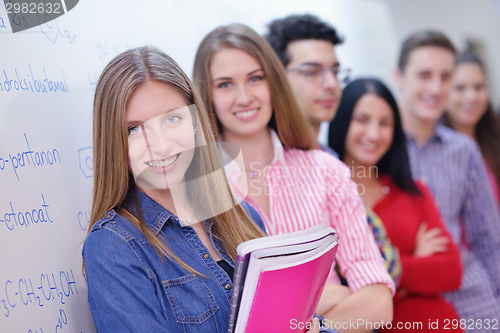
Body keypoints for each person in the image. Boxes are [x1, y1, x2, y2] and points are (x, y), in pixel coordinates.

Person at [193, 23, 394, 331]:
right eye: (225, 84)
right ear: (207, 94)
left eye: (255, 78)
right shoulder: (197, 189)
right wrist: (329, 294)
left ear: (273, 82)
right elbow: (215, 314)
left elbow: (379, 302)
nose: (244, 97)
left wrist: (319, 327)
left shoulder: (326, 170)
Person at [82, 46, 275, 333]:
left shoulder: (243, 215)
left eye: (172, 119)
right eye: (134, 129)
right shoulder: (113, 248)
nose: (160, 145)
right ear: (113, 142)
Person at [265, 13, 402, 286]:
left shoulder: (328, 159)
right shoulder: (265, 159)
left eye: (335, 71)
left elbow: (388, 263)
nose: (330, 84)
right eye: (312, 72)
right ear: (276, 78)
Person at [329, 78, 462, 332]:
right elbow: (340, 288)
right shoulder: (325, 199)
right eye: (362, 120)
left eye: (385, 123)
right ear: (342, 119)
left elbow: (451, 271)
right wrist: (414, 264)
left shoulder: (413, 192)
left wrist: (391, 267)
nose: (374, 134)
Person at [394, 30, 500, 327]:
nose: (436, 87)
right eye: (424, 75)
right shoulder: (377, 149)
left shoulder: (463, 150)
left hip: (475, 300)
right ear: (399, 77)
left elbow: (488, 240)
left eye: (445, 76)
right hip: (413, 304)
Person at [443, 52, 500, 207]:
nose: (471, 97)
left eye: (478, 87)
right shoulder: (436, 152)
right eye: (460, 88)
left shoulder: (494, 140)